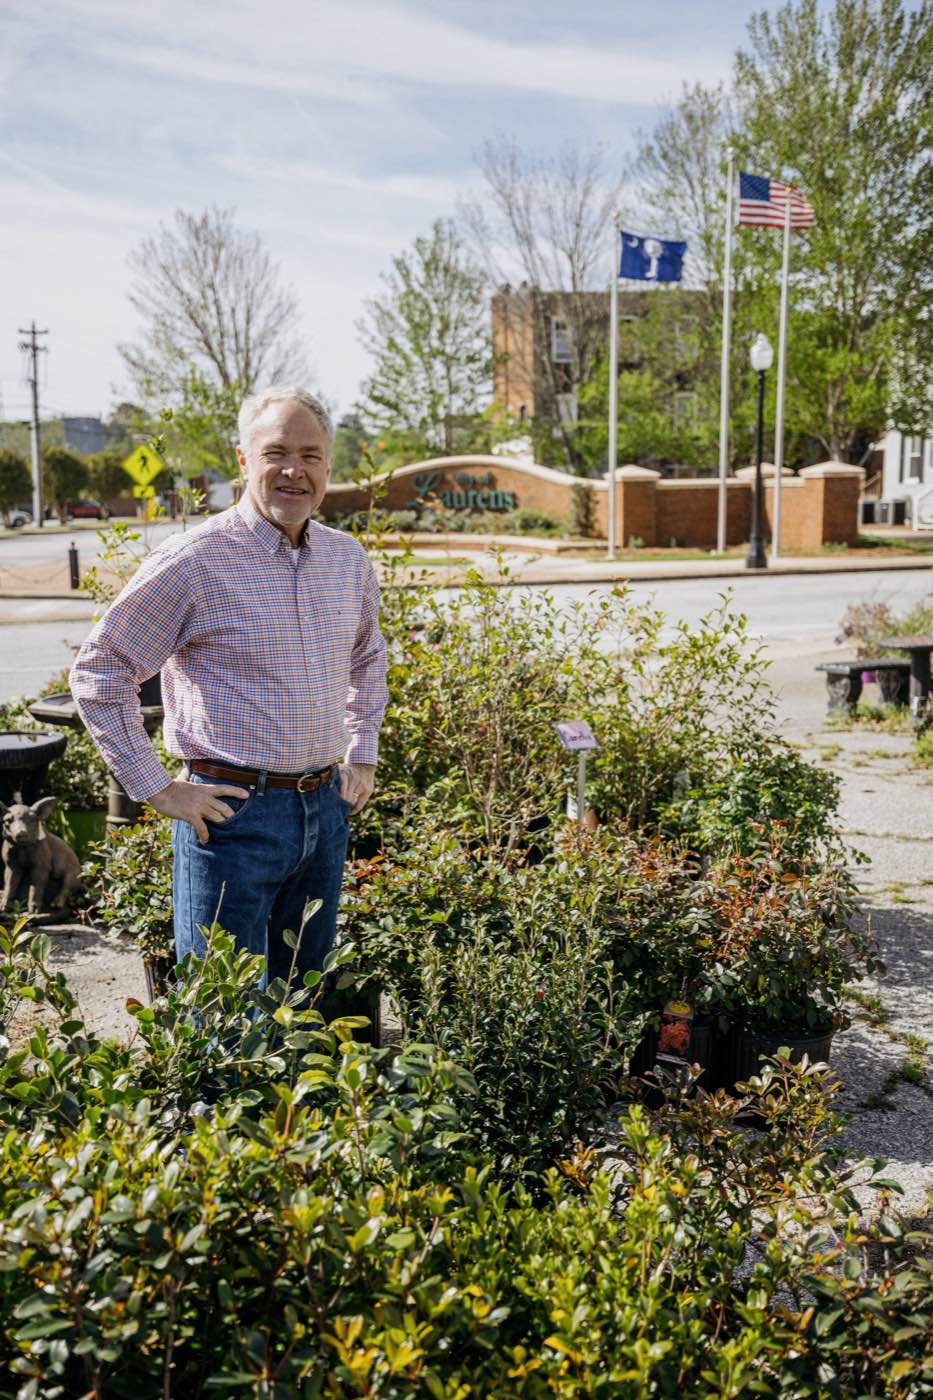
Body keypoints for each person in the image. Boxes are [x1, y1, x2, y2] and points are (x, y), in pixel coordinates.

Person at [71, 385, 388, 990]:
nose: (295, 470)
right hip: (230, 822)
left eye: (311, 454)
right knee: (224, 1021)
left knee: (306, 1006)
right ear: (244, 461)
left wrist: (363, 755)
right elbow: (100, 672)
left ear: (328, 466)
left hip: (324, 811)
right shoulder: (195, 561)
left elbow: (368, 656)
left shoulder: (346, 560)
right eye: (276, 452)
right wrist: (157, 789)